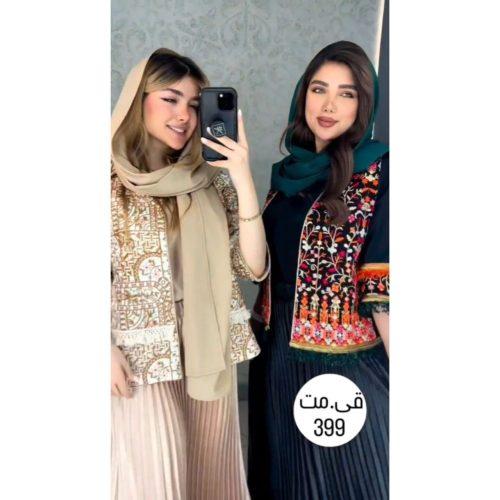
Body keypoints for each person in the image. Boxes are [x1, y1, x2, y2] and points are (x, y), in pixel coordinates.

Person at [110, 48, 267, 500]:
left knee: (210, 473)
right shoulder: (109, 181)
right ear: (138, 101)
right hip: (140, 352)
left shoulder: (212, 180)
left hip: (208, 345)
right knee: (155, 479)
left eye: (195, 104)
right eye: (170, 99)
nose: (184, 115)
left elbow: (252, 266)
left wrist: (242, 176)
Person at [247, 40, 389, 500]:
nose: (329, 105)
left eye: (347, 94)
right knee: (287, 482)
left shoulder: (380, 171)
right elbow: (260, 266)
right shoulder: (287, 174)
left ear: (363, 105)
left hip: (344, 363)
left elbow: (383, 284)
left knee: (352, 483)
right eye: (319, 89)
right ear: (302, 95)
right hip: (276, 355)